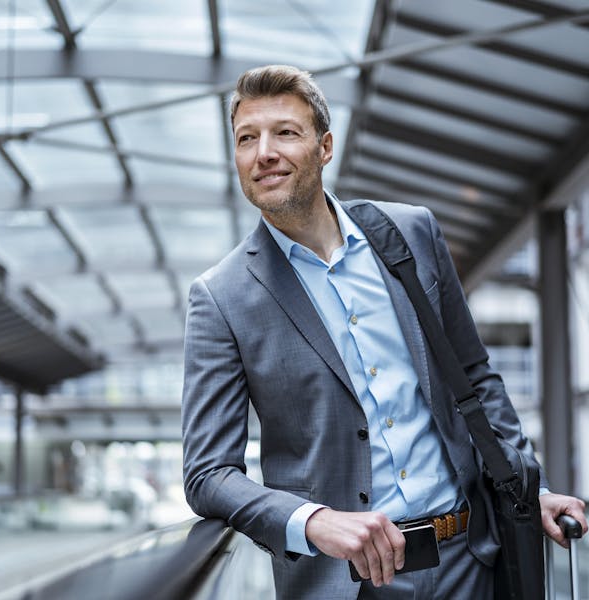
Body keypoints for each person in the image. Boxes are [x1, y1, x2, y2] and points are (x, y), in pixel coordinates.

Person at [181, 64, 587, 600]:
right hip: (347, 582)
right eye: (246, 139)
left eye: (286, 133)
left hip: (470, 557)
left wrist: (524, 487)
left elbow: (473, 376)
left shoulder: (411, 233)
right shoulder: (220, 297)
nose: (264, 153)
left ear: (325, 147)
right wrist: (313, 519)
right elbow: (208, 473)